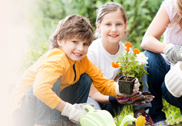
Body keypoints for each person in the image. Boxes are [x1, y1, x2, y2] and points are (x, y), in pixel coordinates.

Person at [10, 15, 138, 126]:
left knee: (85, 78)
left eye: (85, 44)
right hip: (23, 110)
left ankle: (67, 121)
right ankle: (46, 123)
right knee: (50, 82)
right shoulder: (57, 58)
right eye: (75, 41)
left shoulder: (83, 61)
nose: (80, 49)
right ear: (60, 40)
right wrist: (70, 110)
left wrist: (122, 88)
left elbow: (103, 84)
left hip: (45, 105)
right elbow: (40, 89)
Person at [85, 3, 152, 118]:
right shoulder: (92, 52)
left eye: (119, 24)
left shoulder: (127, 53)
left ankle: (140, 116)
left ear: (125, 26)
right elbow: (94, 94)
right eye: (108, 24)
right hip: (92, 101)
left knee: (140, 62)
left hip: (115, 101)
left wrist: (127, 94)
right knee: (98, 120)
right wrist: (118, 96)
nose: (114, 29)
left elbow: (121, 81)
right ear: (99, 26)